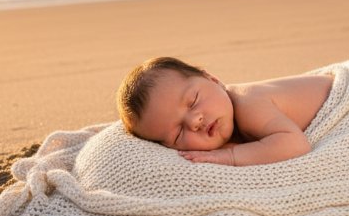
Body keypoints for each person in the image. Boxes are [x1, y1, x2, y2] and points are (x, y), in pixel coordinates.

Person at [116, 57, 333, 166]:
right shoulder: (227, 123)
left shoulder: (249, 104)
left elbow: (296, 144)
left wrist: (230, 156)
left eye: (193, 101)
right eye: (178, 134)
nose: (194, 121)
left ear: (213, 79)